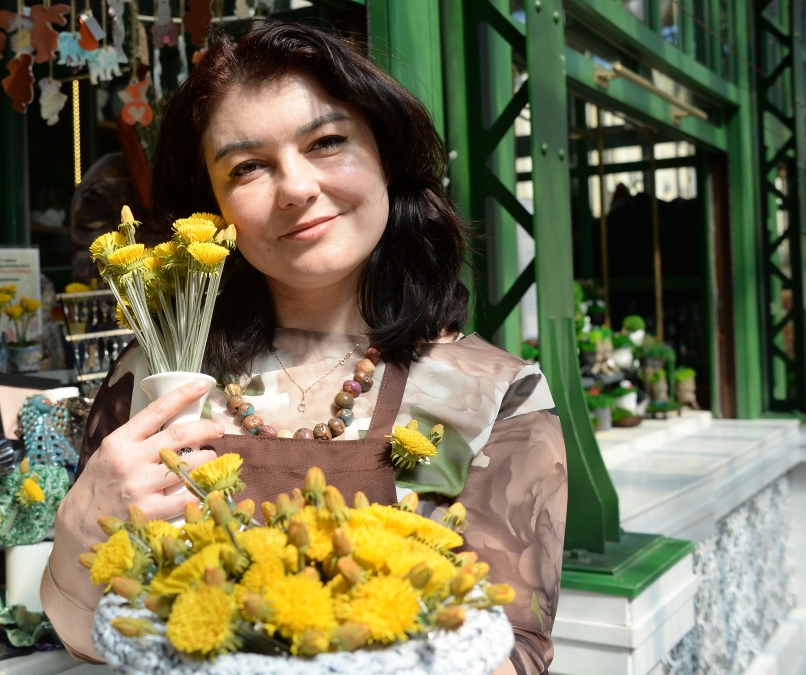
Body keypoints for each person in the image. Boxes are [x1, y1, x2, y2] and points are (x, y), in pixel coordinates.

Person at [39, 20, 568, 675]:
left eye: (327, 142)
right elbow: (92, 638)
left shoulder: (492, 396)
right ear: (213, 208)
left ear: (386, 156)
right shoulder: (158, 378)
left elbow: (511, 648)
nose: (295, 188)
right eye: (247, 167)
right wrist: (77, 533)